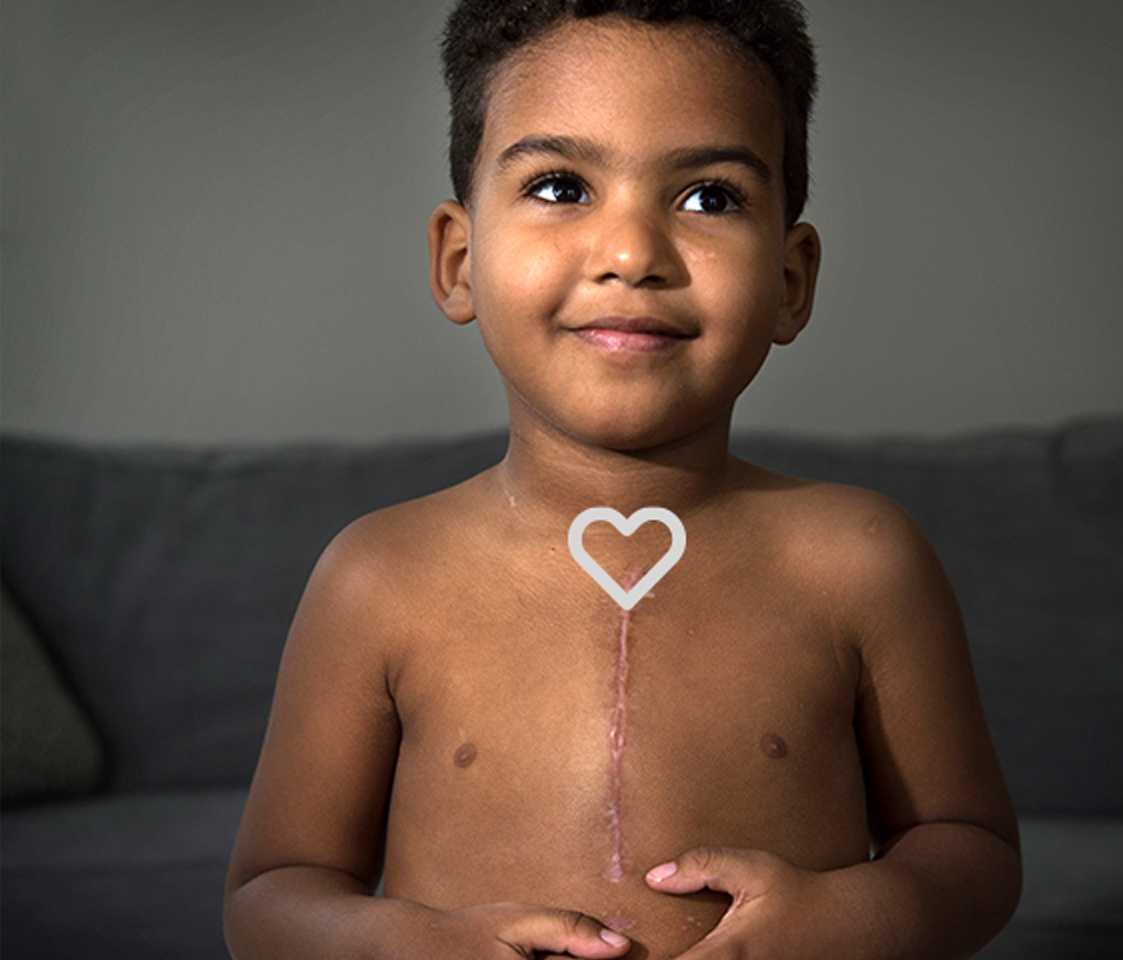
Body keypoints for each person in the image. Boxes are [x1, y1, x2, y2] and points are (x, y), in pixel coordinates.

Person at [223, 2, 1022, 958]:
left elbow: (971, 850)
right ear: (459, 260)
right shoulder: (378, 576)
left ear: (791, 279)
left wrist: (853, 920)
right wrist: (399, 945)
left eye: (709, 197)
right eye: (561, 187)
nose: (632, 255)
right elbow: (272, 894)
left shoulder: (858, 560)